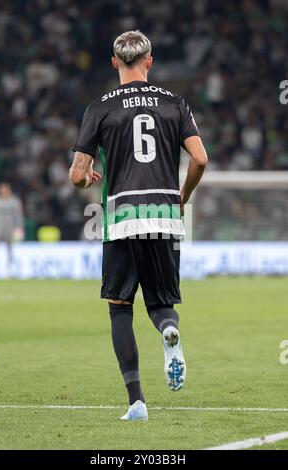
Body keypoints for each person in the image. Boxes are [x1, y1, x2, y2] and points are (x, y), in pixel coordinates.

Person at [69, 31, 208, 421]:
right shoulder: (175, 103)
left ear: (115, 62)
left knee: (119, 308)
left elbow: (76, 176)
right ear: (150, 61)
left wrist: (87, 176)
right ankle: (168, 332)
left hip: (120, 217)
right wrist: (181, 198)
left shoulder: (99, 108)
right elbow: (200, 159)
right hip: (164, 212)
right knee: (161, 302)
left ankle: (137, 402)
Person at [0, 182, 24, 277]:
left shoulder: (14, 201)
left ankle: (9, 270)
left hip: (10, 229)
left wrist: (19, 227)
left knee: (10, 250)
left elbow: (18, 215)